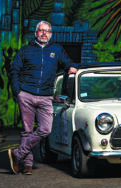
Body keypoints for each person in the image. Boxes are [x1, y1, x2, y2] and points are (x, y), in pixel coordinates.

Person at [8, 21, 77, 175]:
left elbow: (67, 62)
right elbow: (14, 69)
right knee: (27, 131)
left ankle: (17, 154)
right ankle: (27, 165)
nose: (44, 33)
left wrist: (73, 67)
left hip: (46, 96)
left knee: (45, 129)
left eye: (47, 31)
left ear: (51, 34)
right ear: (36, 33)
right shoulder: (25, 50)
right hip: (26, 93)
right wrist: (17, 91)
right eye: (41, 30)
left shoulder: (57, 50)